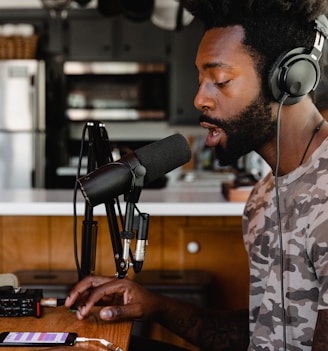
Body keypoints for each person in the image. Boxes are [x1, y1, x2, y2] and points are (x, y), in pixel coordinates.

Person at [65, 1, 328, 350]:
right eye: (200, 79)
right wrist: (153, 305)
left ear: (290, 80)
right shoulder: (263, 197)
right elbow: (263, 332)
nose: (199, 99)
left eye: (219, 80)